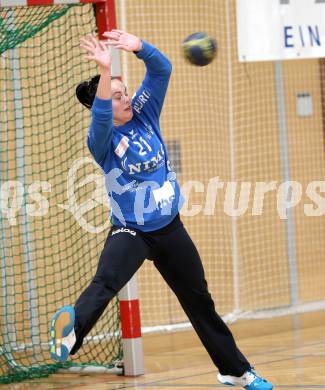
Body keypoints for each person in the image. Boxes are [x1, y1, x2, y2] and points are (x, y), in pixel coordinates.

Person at [49, 30, 273, 390]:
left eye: (126, 92)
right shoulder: (102, 140)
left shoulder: (145, 113)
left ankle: (235, 371)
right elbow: (104, 112)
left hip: (169, 228)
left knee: (200, 301)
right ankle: (70, 335)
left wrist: (139, 48)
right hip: (132, 231)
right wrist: (106, 73)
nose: (127, 99)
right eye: (119, 95)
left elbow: (162, 70)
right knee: (106, 281)